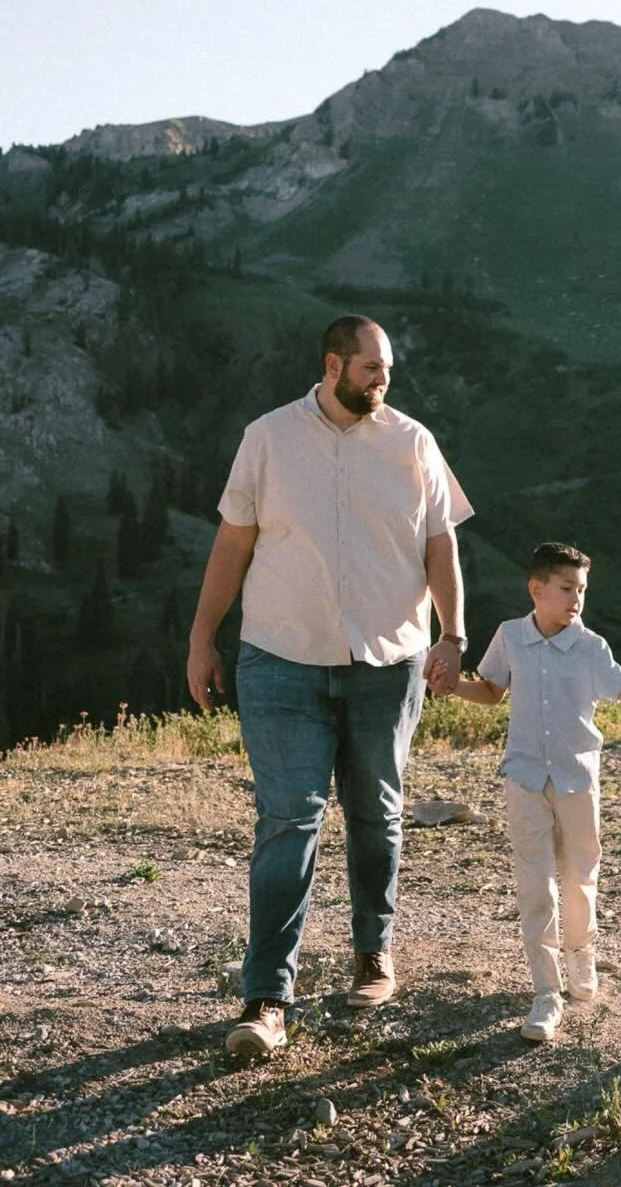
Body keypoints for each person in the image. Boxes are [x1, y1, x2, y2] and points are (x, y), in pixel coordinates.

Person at [187, 315, 473, 1061]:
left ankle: (373, 953)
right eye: (372, 367)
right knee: (289, 820)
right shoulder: (269, 437)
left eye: (388, 369)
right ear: (333, 364)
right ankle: (267, 999)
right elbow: (233, 543)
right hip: (281, 658)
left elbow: (441, 540)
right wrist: (200, 638)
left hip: (389, 662)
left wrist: (453, 635)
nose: (384, 379)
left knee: (377, 810)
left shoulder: (414, 443)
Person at [449, 542, 621, 1043]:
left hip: (579, 779)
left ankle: (581, 950)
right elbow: (491, 691)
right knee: (535, 882)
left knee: (580, 875)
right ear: (537, 589)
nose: (576, 599)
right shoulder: (510, 636)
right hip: (524, 778)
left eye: (581, 589)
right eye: (566, 589)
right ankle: (546, 991)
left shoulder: (591, 647)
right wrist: (452, 686)